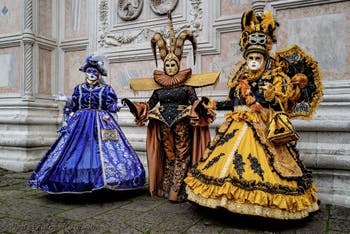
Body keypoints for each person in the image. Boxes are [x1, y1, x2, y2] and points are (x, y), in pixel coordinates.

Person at [184, 9, 323, 219]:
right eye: (250, 58)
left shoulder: (274, 79)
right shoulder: (239, 80)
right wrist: (212, 103)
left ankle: (261, 206)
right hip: (235, 126)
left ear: (264, 58)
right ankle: (225, 201)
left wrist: (273, 96)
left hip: (261, 128)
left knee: (267, 166)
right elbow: (232, 104)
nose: (254, 61)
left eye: (258, 57)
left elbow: (281, 105)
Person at [123, 12, 218, 202]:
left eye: (174, 64)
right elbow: (149, 105)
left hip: (182, 124)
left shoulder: (187, 87)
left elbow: (195, 102)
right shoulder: (158, 90)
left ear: (178, 64)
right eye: (168, 64)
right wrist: (135, 106)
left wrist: (203, 107)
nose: (171, 67)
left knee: (183, 155)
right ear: (164, 67)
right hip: (164, 125)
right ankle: (165, 188)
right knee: (170, 155)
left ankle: (178, 192)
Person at [28, 55, 145, 193]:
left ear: (99, 74)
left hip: (101, 121)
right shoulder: (79, 88)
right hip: (80, 122)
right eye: (89, 71)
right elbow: (75, 104)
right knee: (76, 147)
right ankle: (77, 179)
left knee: (102, 149)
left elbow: (110, 105)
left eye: (95, 72)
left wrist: (120, 104)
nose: (92, 74)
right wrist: (67, 100)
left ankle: (103, 178)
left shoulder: (106, 89)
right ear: (85, 73)